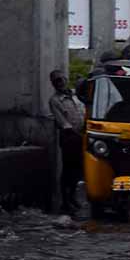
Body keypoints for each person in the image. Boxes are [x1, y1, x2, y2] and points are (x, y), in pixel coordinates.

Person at [48, 69, 85, 213]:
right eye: (56, 81)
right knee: (68, 169)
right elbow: (62, 122)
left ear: (65, 79)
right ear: (53, 84)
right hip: (69, 137)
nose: (60, 83)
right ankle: (65, 200)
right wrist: (77, 134)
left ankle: (73, 196)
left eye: (61, 79)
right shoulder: (55, 100)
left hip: (82, 134)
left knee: (79, 170)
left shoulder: (77, 95)